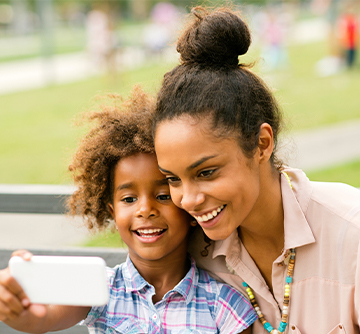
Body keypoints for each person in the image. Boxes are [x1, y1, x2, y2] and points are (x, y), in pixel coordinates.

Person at [153, 6, 360, 334]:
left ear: (262, 144)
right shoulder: (194, 251)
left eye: (206, 172)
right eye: (173, 179)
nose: (188, 199)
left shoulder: (351, 235)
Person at [0, 86, 257, 334]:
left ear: (188, 207)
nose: (145, 209)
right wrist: (18, 308)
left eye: (162, 195)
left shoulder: (224, 305)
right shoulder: (98, 287)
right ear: (112, 211)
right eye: (129, 199)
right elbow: (43, 319)